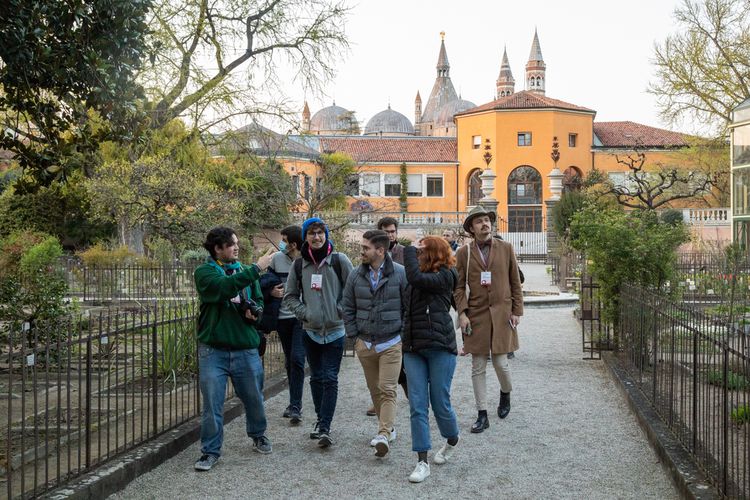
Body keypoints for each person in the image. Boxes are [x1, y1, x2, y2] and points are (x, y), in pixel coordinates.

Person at [193, 227, 275, 471]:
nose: (236, 248)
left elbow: (259, 300)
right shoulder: (205, 272)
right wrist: (257, 268)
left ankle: (258, 434)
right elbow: (224, 288)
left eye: (237, 243)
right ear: (217, 249)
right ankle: (210, 451)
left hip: (245, 348)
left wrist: (254, 313)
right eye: (231, 245)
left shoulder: (243, 272)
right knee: (212, 405)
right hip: (213, 351)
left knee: (254, 399)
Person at [283, 217, 353, 448]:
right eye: (312, 233)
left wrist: (340, 310)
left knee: (330, 377)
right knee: (316, 377)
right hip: (310, 330)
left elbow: (352, 290)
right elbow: (290, 295)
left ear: (326, 234)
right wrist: (305, 313)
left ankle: (324, 427)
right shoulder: (299, 264)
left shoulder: (339, 260)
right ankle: (320, 421)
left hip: (335, 330)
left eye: (320, 232)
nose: (316, 237)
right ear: (305, 237)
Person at [454, 206, 523, 434]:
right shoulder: (464, 253)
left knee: (501, 364)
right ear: (471, 229)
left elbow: (515, 281)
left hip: (503, 314)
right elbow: (458, 287)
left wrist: (517, 311)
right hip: (477, 315)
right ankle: (482, 414)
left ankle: (505, 393)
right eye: (479, 221)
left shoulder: (506, 248)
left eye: (487, 220)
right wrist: (462, 313)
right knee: (478, 366)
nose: (485, 224)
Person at [341, 230, 408, 458]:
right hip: (365, 343)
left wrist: (402, 336)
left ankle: (383, 433)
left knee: (387, 389)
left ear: (380, 250)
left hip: (391, 342)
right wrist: (354, 336)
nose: (361, 251)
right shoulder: (355, 275)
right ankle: (389, 427)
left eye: (365, 248)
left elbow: (408, 308)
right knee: (375, 390)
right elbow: (347, 305)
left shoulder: (400, 274)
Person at [402, 236, 460, 483]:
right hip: (413, 347)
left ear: (434, 253)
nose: (417, 253)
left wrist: (406, 250)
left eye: (421, 250)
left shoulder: (446, 275)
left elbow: (416, 277)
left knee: (440, 402)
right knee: (417, 404)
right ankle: (422, 461)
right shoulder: (416, 278)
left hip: (440, 346)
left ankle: (452, 438)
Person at [260, 225, 306, 424]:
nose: (281, 244)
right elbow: (266, 282)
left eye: (284, 240)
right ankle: (293, 402)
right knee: (289, 359)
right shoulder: (277, 259)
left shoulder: (307, 261)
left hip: (301, 318)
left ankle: (296, 406)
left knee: (297, 358)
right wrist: (271, 291)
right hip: (282, 318)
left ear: (294, 244)